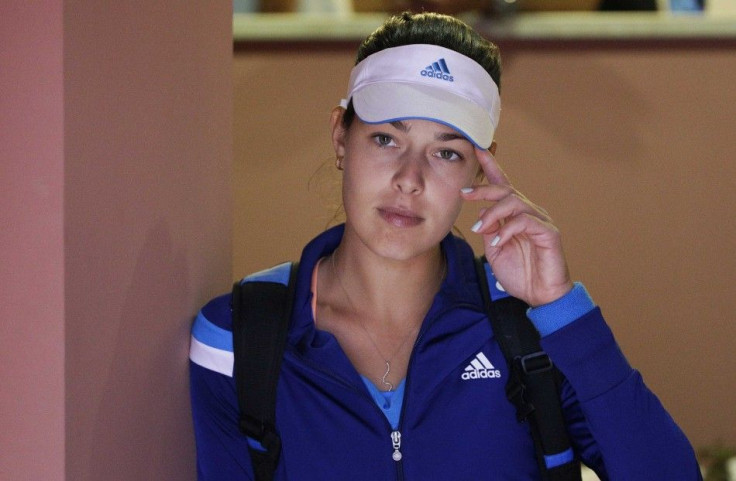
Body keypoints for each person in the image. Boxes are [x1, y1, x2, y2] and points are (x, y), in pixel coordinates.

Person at [189, 11, 701, 480]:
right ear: (340, 138)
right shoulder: (239, 339)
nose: (410, 179)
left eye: (447, 152)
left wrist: (562, 307)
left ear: (481, 168)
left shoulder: (526, 327)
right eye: (386, 139)